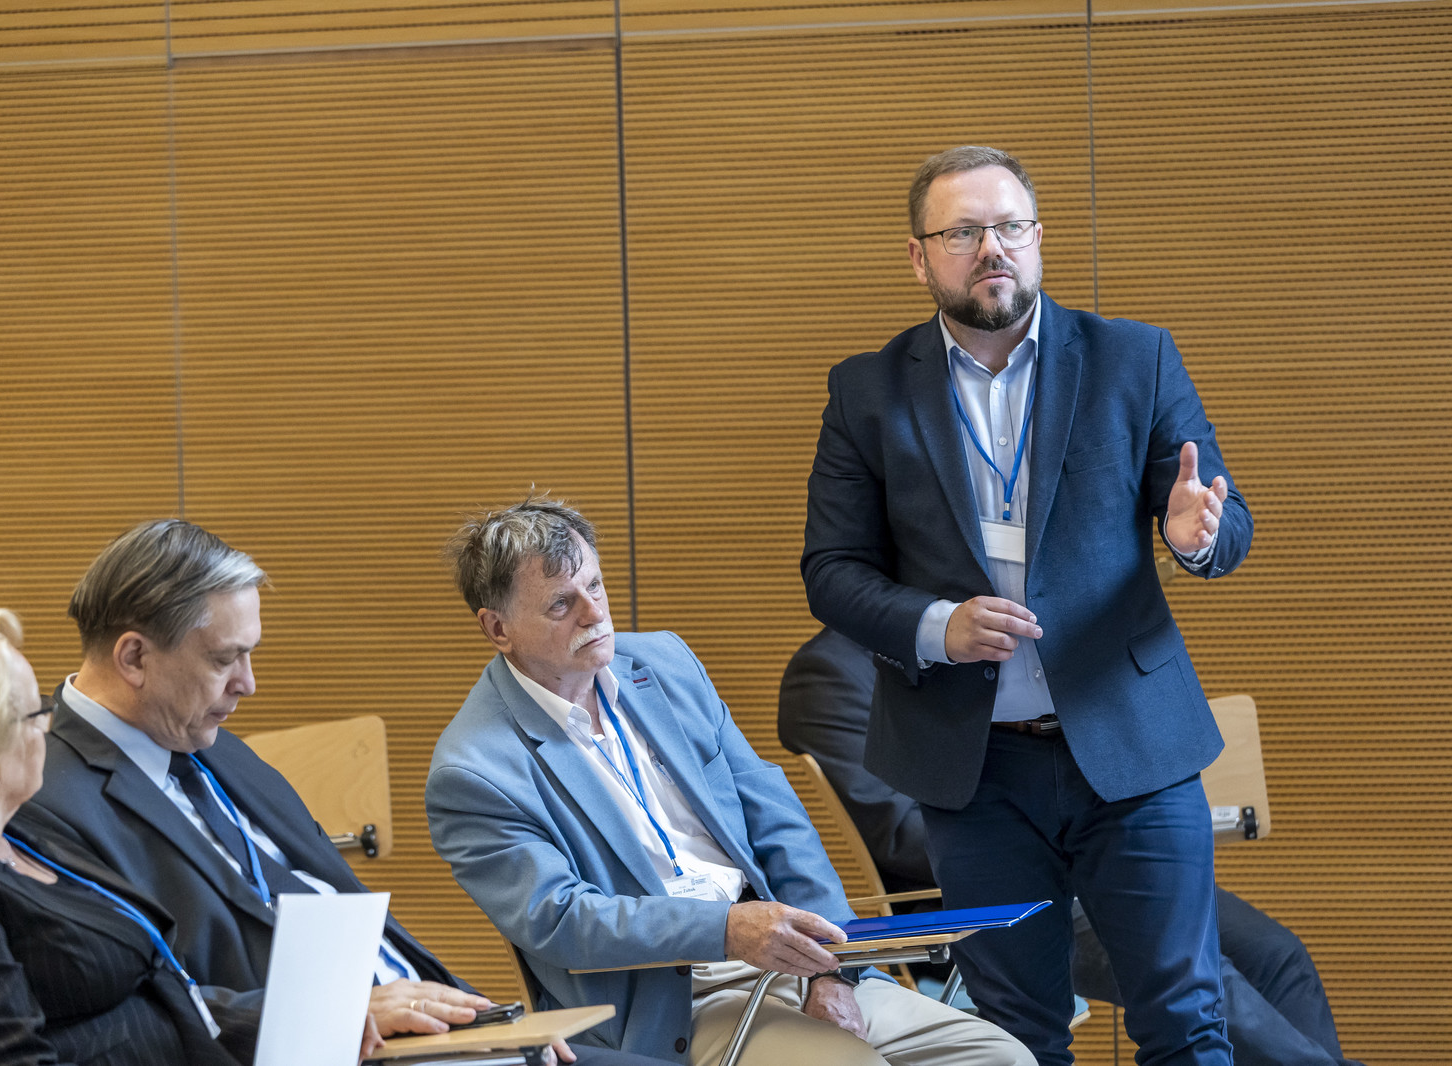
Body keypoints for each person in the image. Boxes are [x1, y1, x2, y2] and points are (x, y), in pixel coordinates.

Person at [801, 145, 1254, 1066]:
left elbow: (1226, 522)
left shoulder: (1132, 358)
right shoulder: (867, 391)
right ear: (919, 257)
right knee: (1016, 1038)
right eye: (963, 232)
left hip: (1133, 750)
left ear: (1038, 237)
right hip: (977, 776)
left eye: (1010, 226)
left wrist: (1194, 537)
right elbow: (832, 570)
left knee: (1186, 1021)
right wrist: (940, 628)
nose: (991, 248)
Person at [25, 518, 661, 1066]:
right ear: (134, 658)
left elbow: (354, 918)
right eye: (224, 659)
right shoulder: (40, 798)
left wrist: (494, 1024)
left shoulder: (214, 745)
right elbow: (118, 1016)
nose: (248, 683)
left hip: (433, 1041)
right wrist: (328, 1015)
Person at [427, 494, 1034, 1066]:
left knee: (1002, 1057)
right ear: (498, 628)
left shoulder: (665, 664)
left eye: (595, 585)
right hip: (673, 997)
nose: (595, 614)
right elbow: (561, 920)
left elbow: (777, 820)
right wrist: (726, 931)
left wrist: (831, 971)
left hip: (790, 955)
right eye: (562, 604)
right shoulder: (475, 771)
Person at [778, 626, 1366, 1066]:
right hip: (983, 897)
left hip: (1098, 860)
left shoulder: (988, 639)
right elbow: (895, 833)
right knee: (1206, 987)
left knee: (1275, 954)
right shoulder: (829, 671)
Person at [0, 609, 262, 1066]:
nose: (49, 728)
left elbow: (160, 985)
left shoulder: (16, 827)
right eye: (38, 713)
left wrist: (293, 1020)